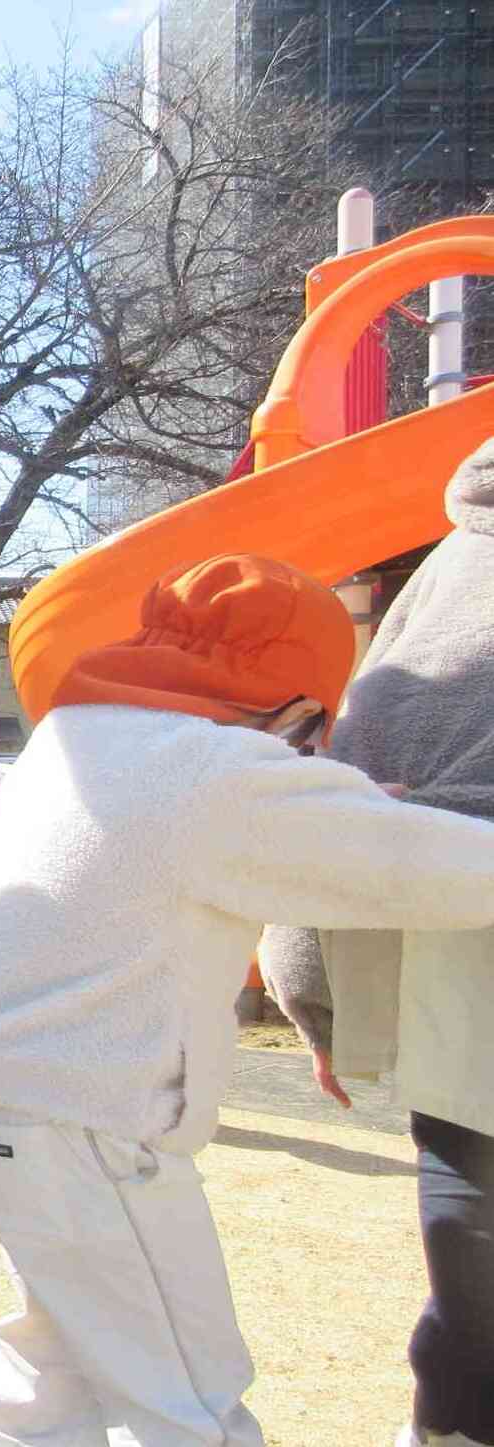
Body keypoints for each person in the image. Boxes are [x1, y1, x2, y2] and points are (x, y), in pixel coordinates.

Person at [0, 553, 494, 1447]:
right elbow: (421, 866)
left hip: (3, 1111)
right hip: (96, 1128)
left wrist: (332, 802)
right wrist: (342, 806)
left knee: (54, 1375)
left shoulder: (81, 738)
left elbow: (216, 830)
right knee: (185, 1397)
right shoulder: (220, 773)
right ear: (293, 704)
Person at [258, 441, 494, 1447]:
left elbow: (346, 787)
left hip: (454, 934)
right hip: (460, 909)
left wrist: (315, 992)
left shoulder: (450, 570)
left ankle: (449, 1421)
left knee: (472, 1204)